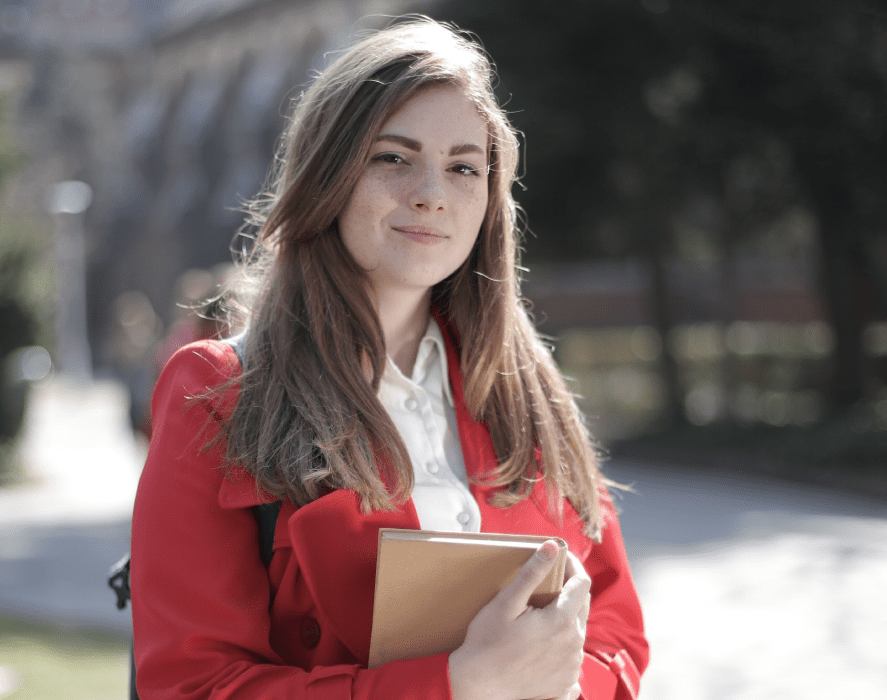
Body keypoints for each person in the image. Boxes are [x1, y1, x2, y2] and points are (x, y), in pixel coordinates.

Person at [130, 16, 648, 700]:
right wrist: (455, 687)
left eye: (464, 166)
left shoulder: (527, 390)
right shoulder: (217, 391)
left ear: (490, 199)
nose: (431, 192)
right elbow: (193, 685)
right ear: (330, 173)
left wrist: (560, 681)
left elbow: (614, 632)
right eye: (393, 157)